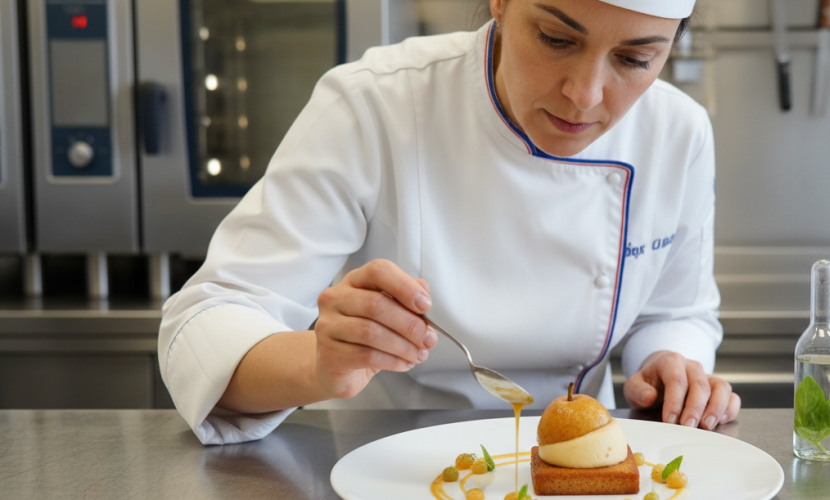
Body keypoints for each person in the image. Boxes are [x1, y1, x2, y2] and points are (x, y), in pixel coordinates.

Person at [159, 0, 740, 445]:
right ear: (500, 3)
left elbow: (675, 312)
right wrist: (317, 364)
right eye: (556, 38)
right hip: (383, 463)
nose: (584, 95)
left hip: (576, 462)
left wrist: (668, 366)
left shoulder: (678, 133)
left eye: (635, 59)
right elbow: (206, 324)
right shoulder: (377, 105)